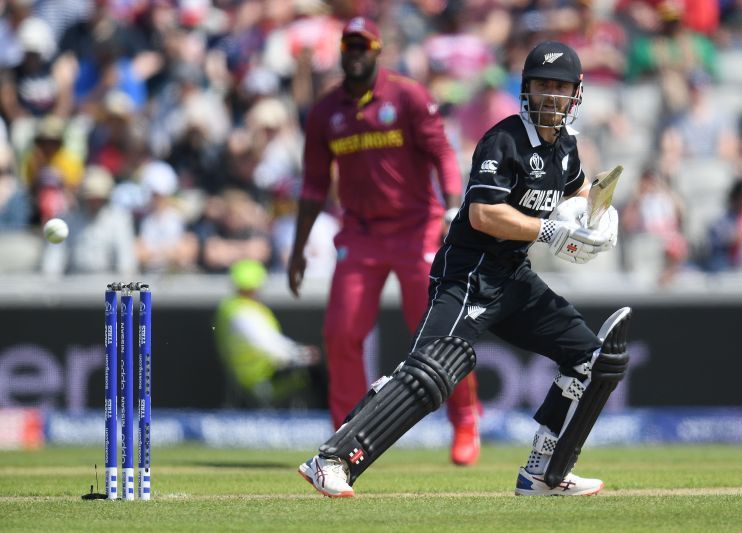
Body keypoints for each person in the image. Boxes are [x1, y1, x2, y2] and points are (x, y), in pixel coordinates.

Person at [297, 40, 630, 498]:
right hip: (468, 276)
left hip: (513, 278)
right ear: (525, 91)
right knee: (433, 371)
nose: (551, 97)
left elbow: (575, 192)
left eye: (560, 87)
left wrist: (598, 216)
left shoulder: (567, 148)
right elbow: (483, 214)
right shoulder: (504, 140)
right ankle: (331, 459)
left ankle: (545, 472)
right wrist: (551, 233)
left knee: (594, 361)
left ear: (576, 94)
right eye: (541, 86)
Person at [288, 17, 482, 465]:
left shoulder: (407, 95)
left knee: (438, 334)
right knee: (340, 333)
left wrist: (452, 210)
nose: (355, 54)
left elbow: (443, 156)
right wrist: (298, 249)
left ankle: (465, 418)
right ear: (340, 53)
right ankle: (346, 438)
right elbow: (315, 185)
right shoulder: (325, 111)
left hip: (418, 228)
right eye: (349, 46)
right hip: (361, 234)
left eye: (363, 46)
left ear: (377, 51)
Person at [214, 259, 323, 408]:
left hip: (253, 375)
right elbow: (270, 346)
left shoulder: (231, 308)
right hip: (261, 377)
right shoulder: (243, 312)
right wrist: (302, 355)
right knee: (315, 371)